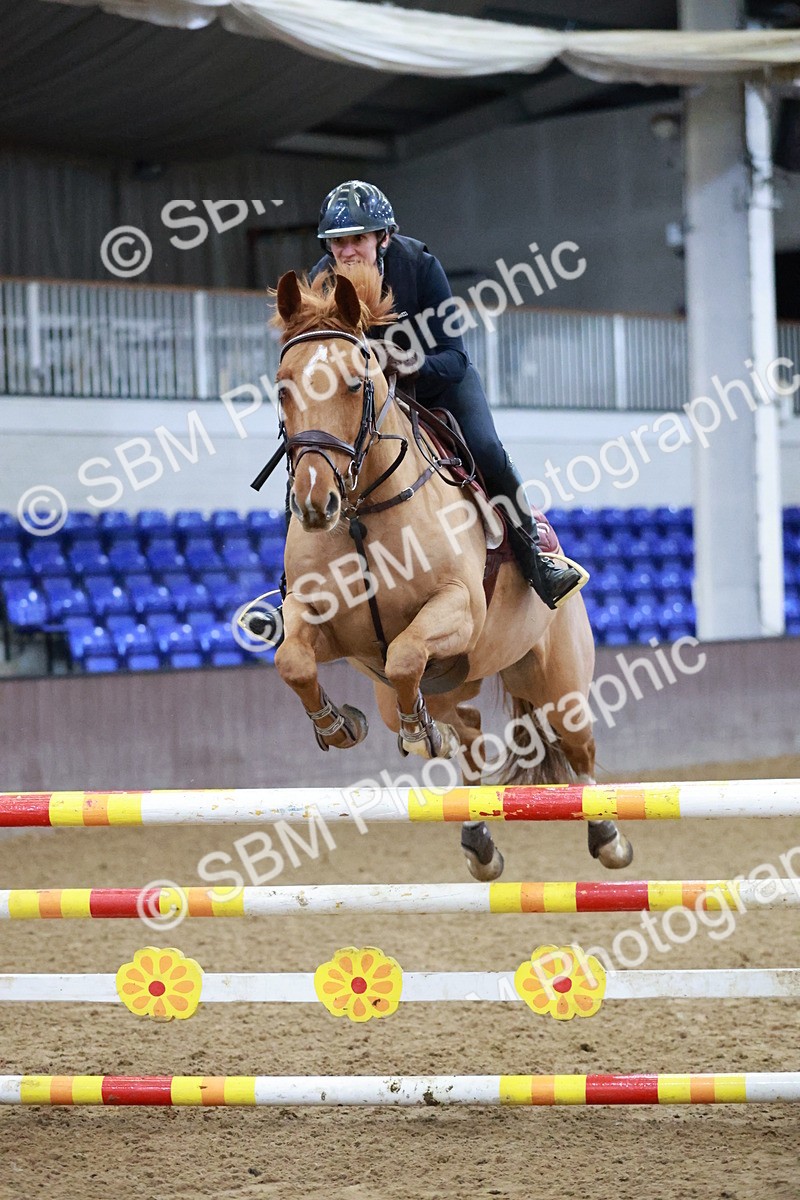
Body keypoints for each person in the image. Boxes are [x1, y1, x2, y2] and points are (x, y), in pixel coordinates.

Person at [307, 180, 587, 610]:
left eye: (357, 239)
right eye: (337, 242)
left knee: (488, 450)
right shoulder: (321, 282)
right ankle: (289, 589)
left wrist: (406, 363)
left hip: (439, 385)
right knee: (312, 457)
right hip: (368, 399)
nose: (346, 252)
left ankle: (536, 561)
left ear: (383, 237)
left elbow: (455, 358)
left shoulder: (419, 265)